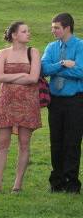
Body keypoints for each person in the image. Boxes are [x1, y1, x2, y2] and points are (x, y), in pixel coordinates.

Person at [0, 21, 41, 194]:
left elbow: (34, 78)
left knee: (24, 143)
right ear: (14, 35)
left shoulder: (33, 52)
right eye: (24, 31)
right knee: (3, 142)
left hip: (28, 102)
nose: (28, 34)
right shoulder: (3, 53)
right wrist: (21, 74)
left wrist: (10, 77)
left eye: (28, 31)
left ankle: (17, 184)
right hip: (7, 101)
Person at [41, 13, 83, 193]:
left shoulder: (80, 46)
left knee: (72, 141)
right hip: (55, 101)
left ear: (67, 28)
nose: (53, 31)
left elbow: (81, 72)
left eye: (56, 27)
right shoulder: (51, 47)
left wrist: (56, 69)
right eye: (53, 27)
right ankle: (56, 181)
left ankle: (71, 181)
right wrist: (64, 64)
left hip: (75, 101)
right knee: (56, 140)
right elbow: (43, 69)